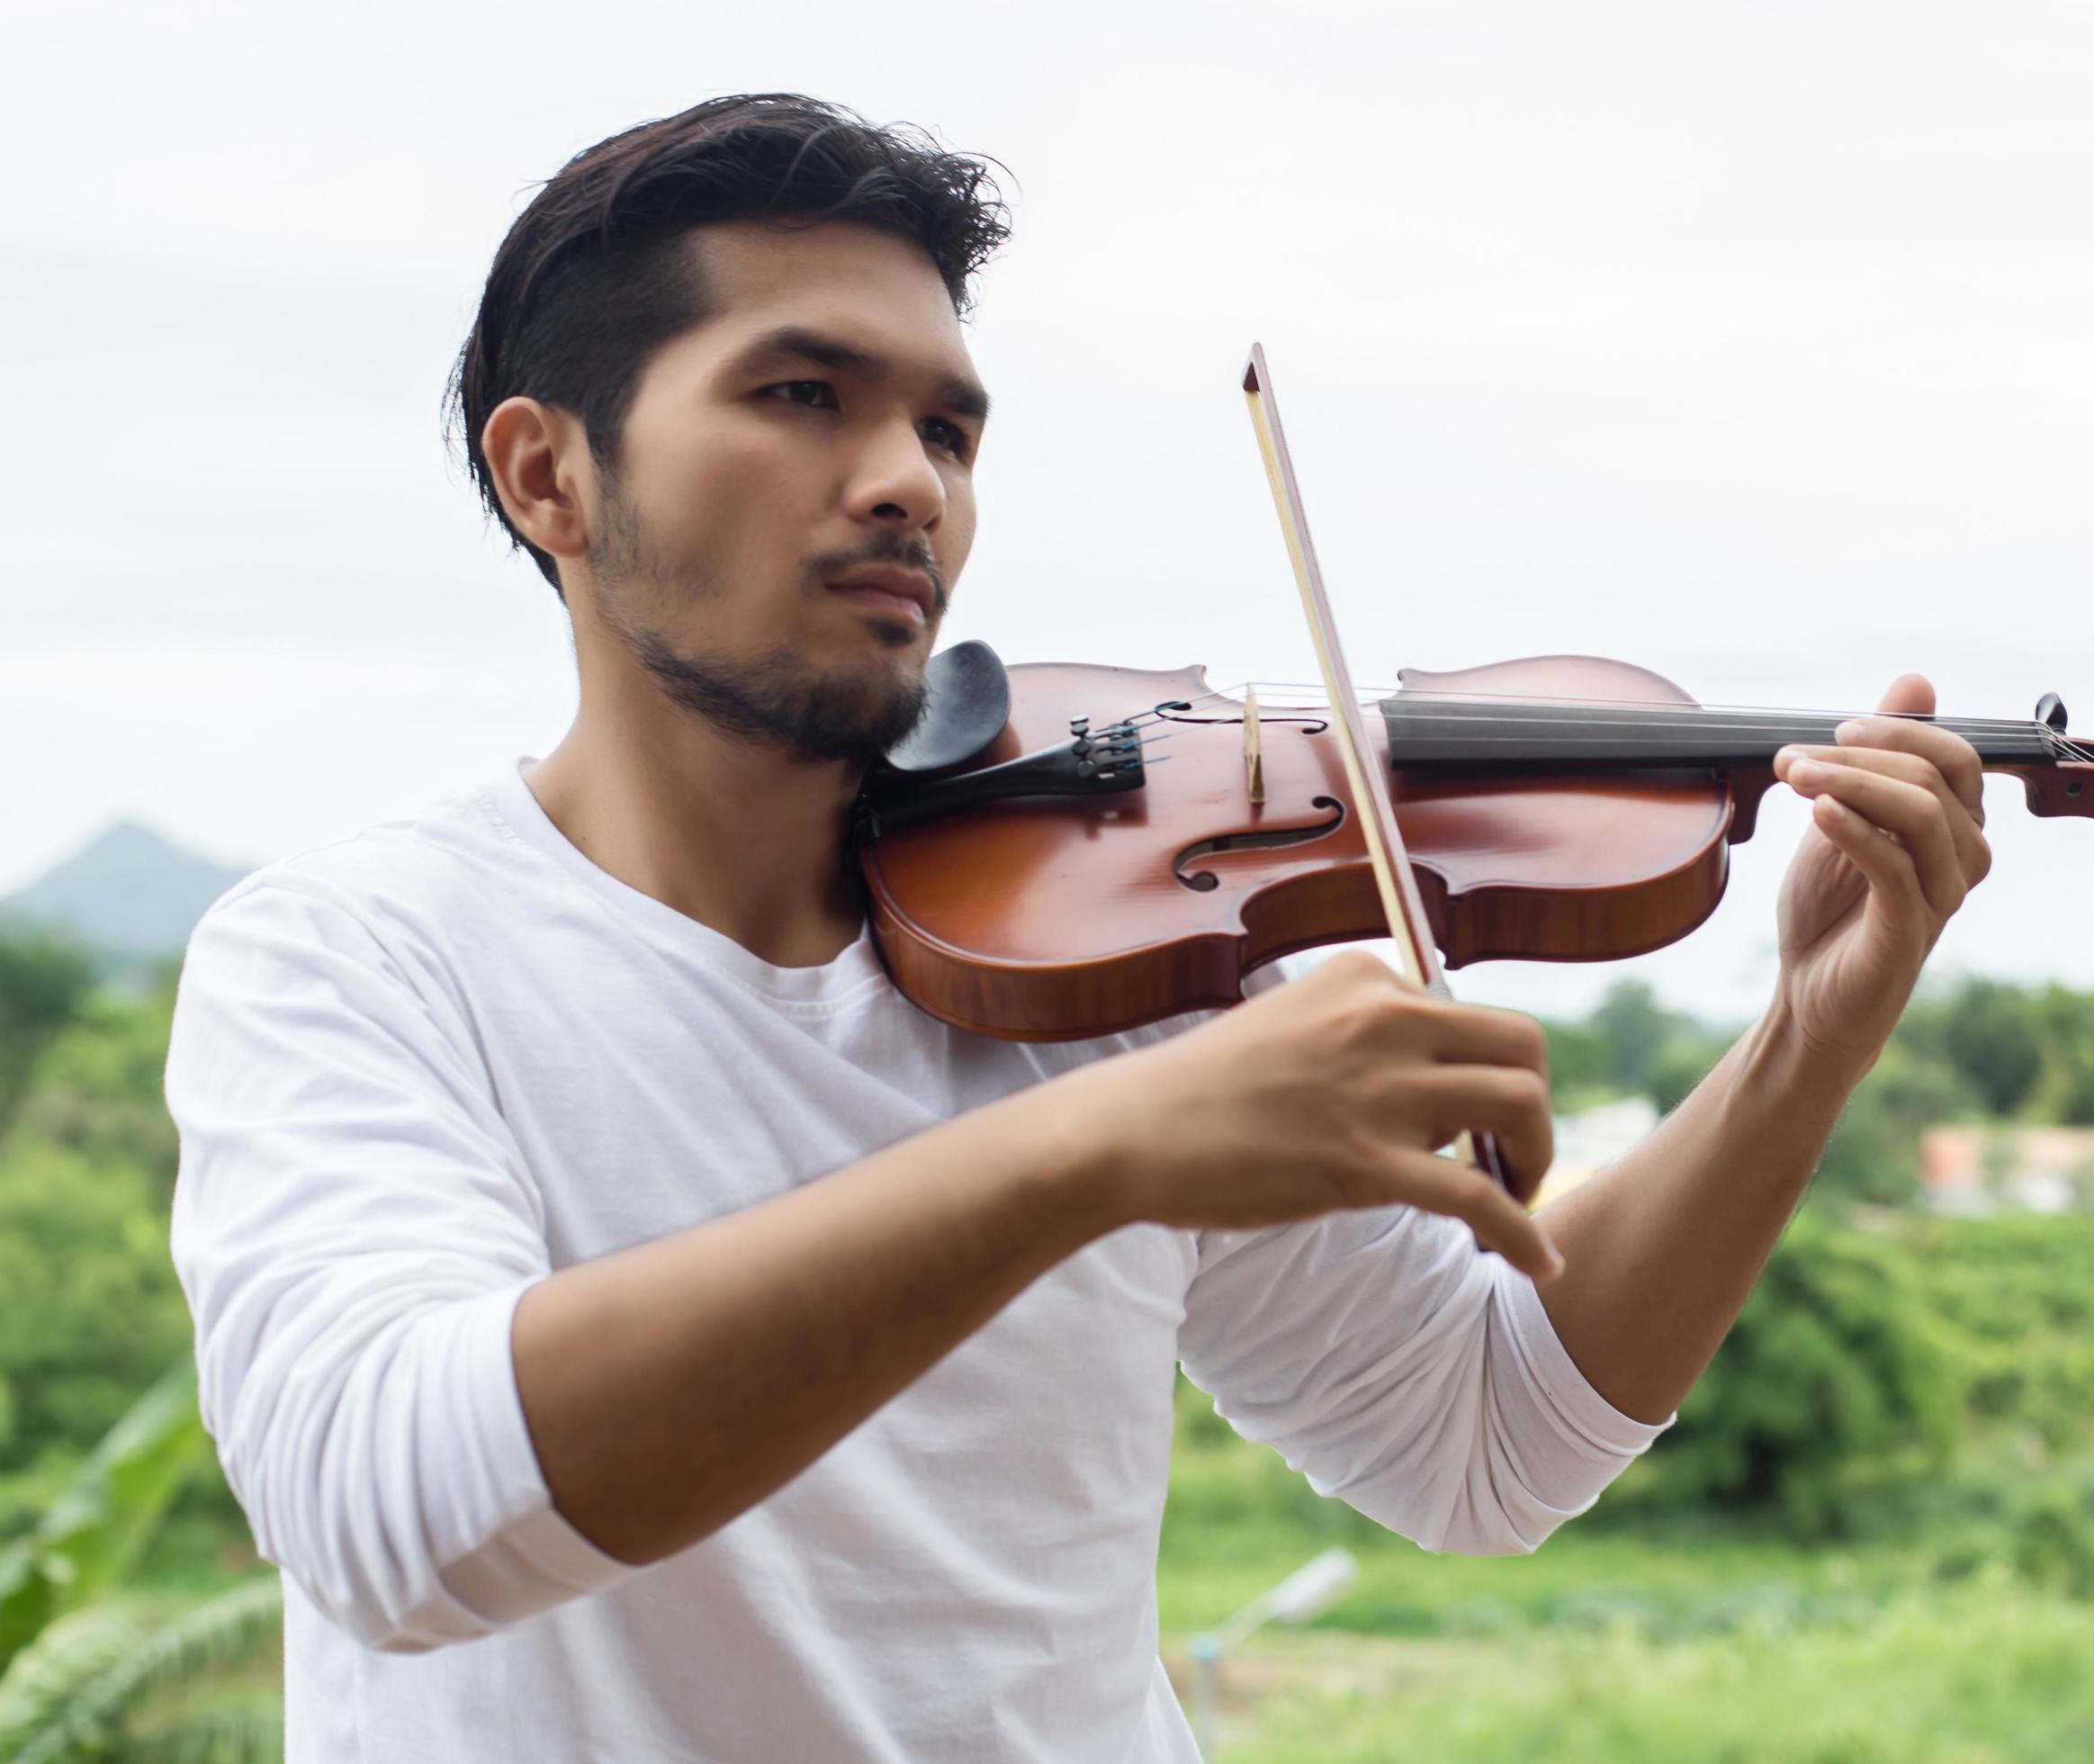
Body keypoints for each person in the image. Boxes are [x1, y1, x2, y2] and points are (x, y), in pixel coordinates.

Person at [165, 92, 1992, 1762]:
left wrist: (1801, 1039)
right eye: (802, 396)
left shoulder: (1121, 946)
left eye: (947, 425)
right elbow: (390, 1513)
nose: (910, 481)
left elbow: (1487, 1434)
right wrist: (1098, 1148)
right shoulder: (354, 954)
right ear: (548, 473)